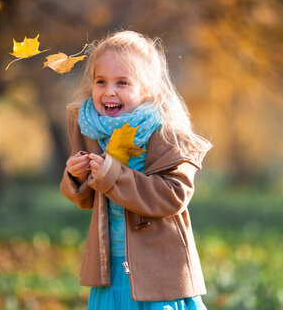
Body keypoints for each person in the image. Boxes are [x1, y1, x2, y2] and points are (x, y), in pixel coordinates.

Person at [60, 31, 212, 310]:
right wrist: (75, 176)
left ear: (148, 90)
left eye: (123, 82)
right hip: (111, 267)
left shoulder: (166, 133)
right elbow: (86, 200)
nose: (109, 91)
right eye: (100, 81)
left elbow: (173, 196)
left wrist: (111, 175)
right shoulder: (90, 129)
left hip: (159, 271)